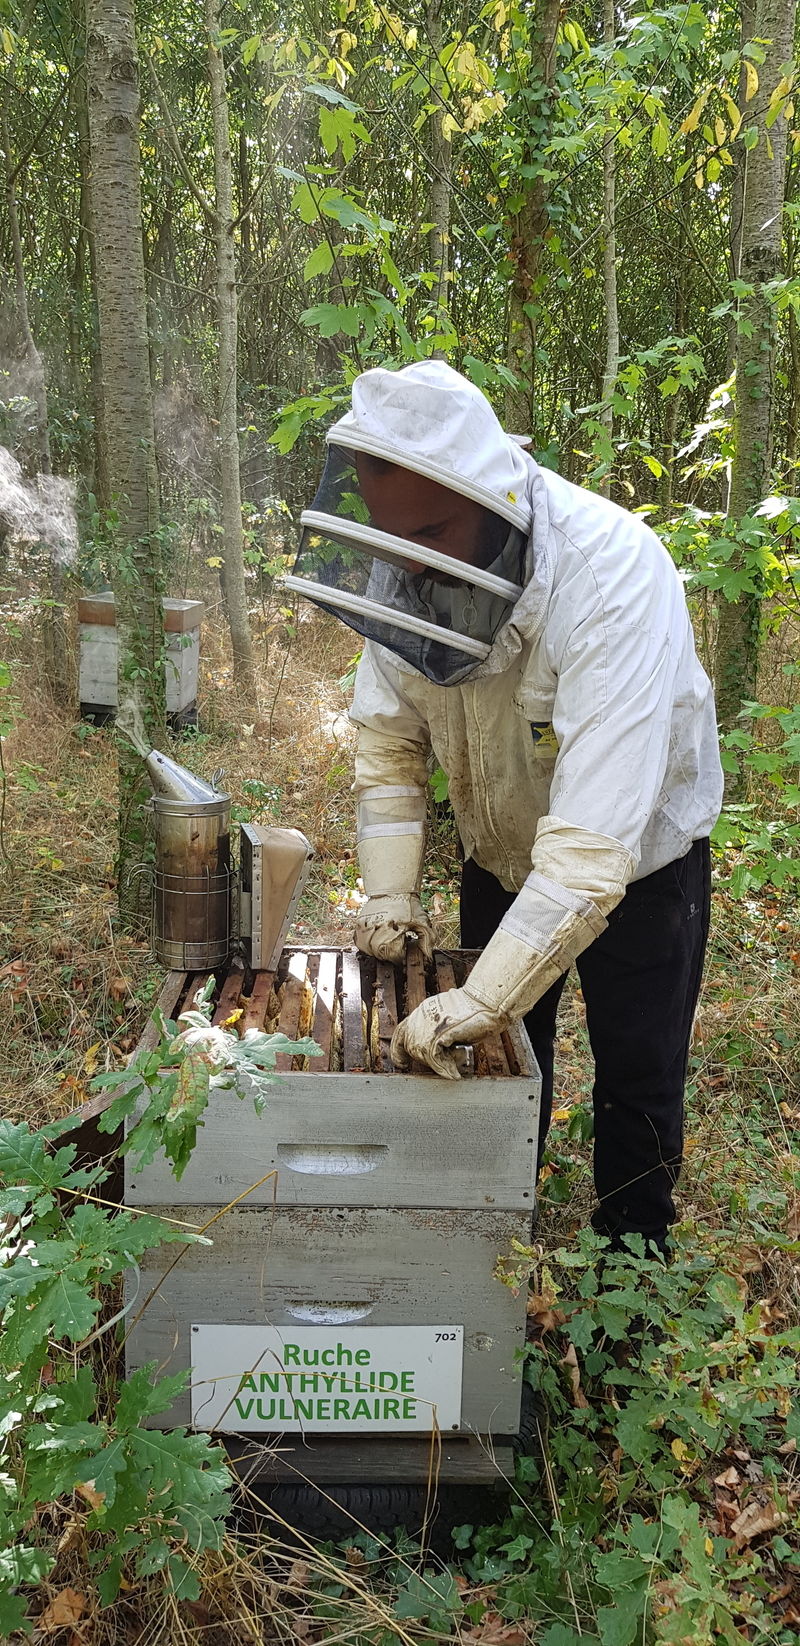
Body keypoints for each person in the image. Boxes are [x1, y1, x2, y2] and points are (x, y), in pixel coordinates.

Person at [288, 359, 724, 1252]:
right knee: (500, 1064)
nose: (410, 560)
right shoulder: (407, 563)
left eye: (435, 533)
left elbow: (593, 851)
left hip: (641, 869)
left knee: (638, 1074)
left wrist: (482, 995)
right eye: (392, 537)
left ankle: (629, 1275)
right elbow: (389, 745)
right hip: (499, 855)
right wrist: (389, 896)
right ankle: (494, 1235)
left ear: (492, 499)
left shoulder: (611, 578)